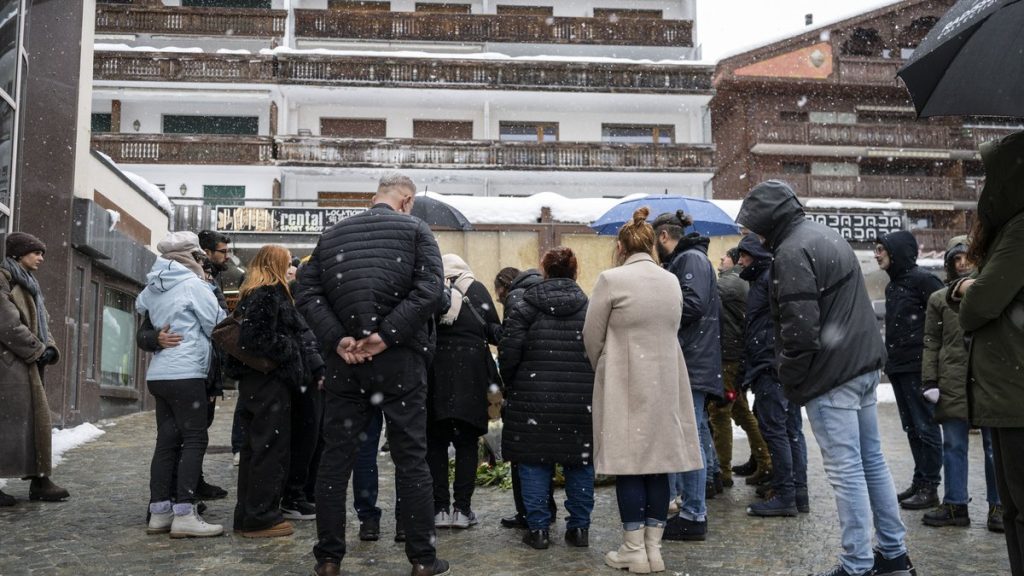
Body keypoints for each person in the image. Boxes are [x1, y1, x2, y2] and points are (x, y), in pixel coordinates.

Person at [737, 180, 914, 576]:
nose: (754, 234)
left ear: (769, 220)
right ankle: (893, 554)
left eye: (754, 226)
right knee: (871, 462)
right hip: (863, 365)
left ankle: (857, 564)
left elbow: (799, 331)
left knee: (846, 469)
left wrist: (790, 378)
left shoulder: (791, 251)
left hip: (833, 374)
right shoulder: (825, 235)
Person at [296, 172, 450, 576]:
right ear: (406, 200)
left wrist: (339, 339)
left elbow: (307, 292)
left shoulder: (333, 235)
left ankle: (328, 557)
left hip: (347, 365)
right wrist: (385, 336)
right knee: (411, 458)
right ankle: (421, 558)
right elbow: (431, 291)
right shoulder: (417, 230)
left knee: (335, 459)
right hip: (400, 361)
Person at [584, 208, 702, 574]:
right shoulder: (669, 281)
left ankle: (633, 549)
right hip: (666, 379)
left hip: (624, 380)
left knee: (630, 466)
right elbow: (674, 325)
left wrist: (606, 362)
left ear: (620, 247)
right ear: (653, 245)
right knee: (658, 465)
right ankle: (654, 550)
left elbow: (592, 336)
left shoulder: (610, 280)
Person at [947, 132, 1024, 575]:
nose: (984, 188)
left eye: (990, 175)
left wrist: (964, 290)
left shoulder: (1021, 227)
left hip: (1016, 393)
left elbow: (980, 305)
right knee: (1015, 511)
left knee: (1021, 510)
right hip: (1008, 391)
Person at [499, 247, 595, 550]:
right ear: (575, 272)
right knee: (579, 463)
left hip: (533, 398)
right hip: (580, 400)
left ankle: (538, 530)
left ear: (545, 271)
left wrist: (514, 385)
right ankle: (579, 529)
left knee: (533, 462)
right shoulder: (588, 308)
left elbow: (508, 355)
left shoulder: (524, 307)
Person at [135, 231, 225, 538]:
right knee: (195, 439)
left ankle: (159, 511)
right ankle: (185, 512)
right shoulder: (192, 285)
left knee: (166, 442)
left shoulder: (153, 286)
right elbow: (217, 324)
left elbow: (145, 322)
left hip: (160, 374)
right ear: (194, 257)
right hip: (187, 372)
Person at [227, 244, 315, 538]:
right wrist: (290, 349)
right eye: (286, 261)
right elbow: (256, 338)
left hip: (259, 381)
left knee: (257, 449)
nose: (290, 265)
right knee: (269, 449)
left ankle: (249, 515)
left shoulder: (253, 291)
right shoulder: (269, 292)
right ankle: (260, 517)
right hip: (269, 382)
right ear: (275, 264)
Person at [920, 236, 1002, 531]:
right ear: (950, 263)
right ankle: (955, 505)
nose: (963, 263)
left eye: (967, 257)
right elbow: (931, 342)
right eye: (957, 259)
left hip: (987, 379)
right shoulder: (939, 299)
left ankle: (999, 506)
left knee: (994, 446)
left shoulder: (993, 294)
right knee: (953, 444)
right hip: (952, 380)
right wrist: (929, 379)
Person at [652, 210, 722, 541]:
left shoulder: (691, 260)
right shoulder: (687, 260)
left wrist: (657, 308)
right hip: (693, 359)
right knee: (690, 434)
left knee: (689, 438)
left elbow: (691, 305)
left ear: (664, 235)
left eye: (655, 241)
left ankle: (694, 513)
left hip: (692, 362)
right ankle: (688, 504)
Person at [736, 234, 809, 517]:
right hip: (779, 366)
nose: (740, 260)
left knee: (776, 430)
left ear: (755, 254)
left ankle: (785, 494)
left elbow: (765, 328)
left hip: (770, 367)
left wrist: (762, 362)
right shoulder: (769, 277)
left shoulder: (765, 280)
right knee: (790, 430)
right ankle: (796, 492)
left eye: (744, 255)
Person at [429, 254, 500, 529]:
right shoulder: (477, 289)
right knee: (467, 443)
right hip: (471, 374)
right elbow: (494, 333)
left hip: (436, 373)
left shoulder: (432, 288)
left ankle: (439, 510)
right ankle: (462, 510)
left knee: (435, 443)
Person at [875, 231, 944, 510]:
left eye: (881, 249)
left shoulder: (924, 280)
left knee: (925, 427)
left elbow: (945, 318)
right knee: (912, 428)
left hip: (919, 368)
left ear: (898, 252)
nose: (877, 254)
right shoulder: (893, 287)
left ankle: (930, 487)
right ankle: (920, 482)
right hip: (900, 367)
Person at [0, 232, 69, 506]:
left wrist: (49, 347)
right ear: (18, 254)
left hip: (25, 363)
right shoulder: (4, 280)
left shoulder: (28, 282)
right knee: (8, 425)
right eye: (36, 252)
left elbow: (43, 321)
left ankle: (40, 479)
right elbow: (7, 324)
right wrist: (37, 350)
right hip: (9, 366)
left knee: (34, 424)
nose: (40, 258)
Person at [492, 266, 556, 530]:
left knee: (525, 457)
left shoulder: (516, 300)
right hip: (555, 385)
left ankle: (531, 516)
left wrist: (508, 384)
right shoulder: (545, 292)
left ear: (504, 287)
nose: (498, 300)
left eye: (498, 295)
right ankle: (550, 512)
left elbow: (510, 348)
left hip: (526, 388)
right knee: (548, 455)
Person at [707, 246, 771, 490]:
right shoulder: (737, 282)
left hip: (729, 360)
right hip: (735, 358)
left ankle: (722, 470)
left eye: (723, 257)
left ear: (732, 261)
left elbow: (705, 295)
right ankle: (765, 462)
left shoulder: (729, 284)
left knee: (720, 412)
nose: (719, 260)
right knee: (741, 411)